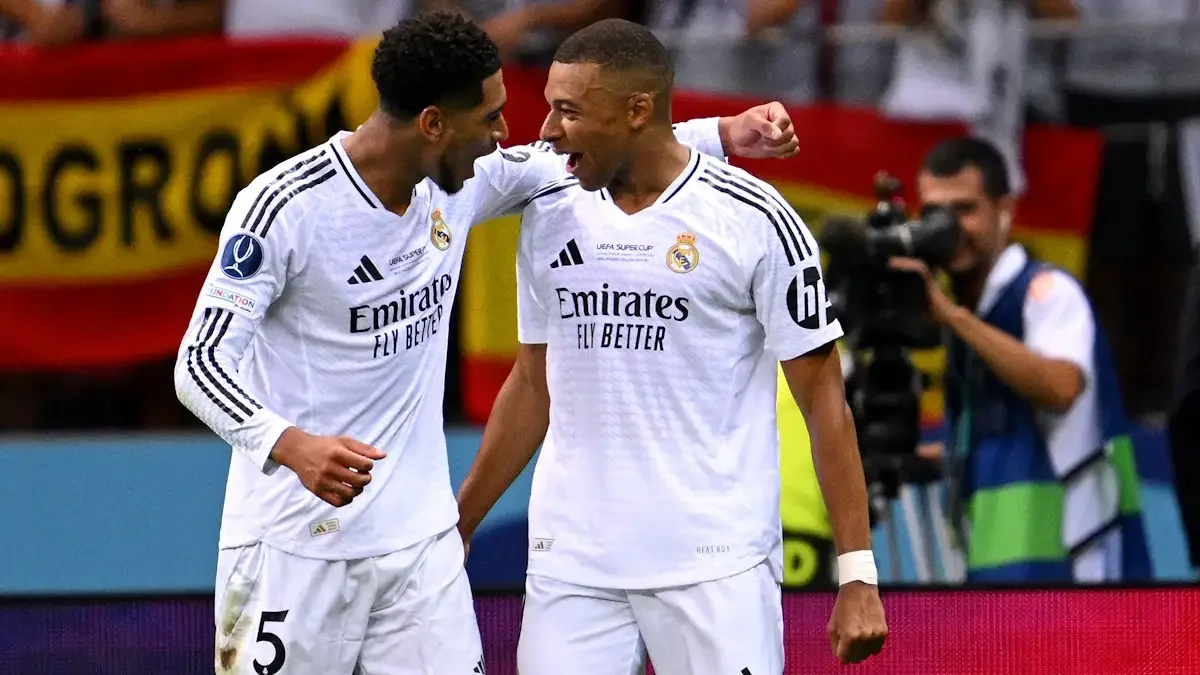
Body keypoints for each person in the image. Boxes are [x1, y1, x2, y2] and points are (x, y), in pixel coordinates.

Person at [172, 11, 798, 675]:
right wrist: (291, 444)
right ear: (433, 124)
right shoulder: (284, 207)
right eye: (491, 118)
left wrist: (723, 133)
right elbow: (199, 365)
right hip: (291, 547)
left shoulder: (462, 182)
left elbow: (584, 156)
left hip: (420, 548)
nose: (504, 136)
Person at [455, 18, 887, 674]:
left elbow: (825, 402)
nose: (547, 130)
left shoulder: (757, 219)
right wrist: (459, 525)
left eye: (568, 111)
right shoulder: (550, 207)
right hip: (572, 564)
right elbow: (536, 383)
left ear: (637, 110)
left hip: (715, 566)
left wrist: (857, 574)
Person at [894, 136, 1151, 584]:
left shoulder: (1046, 292)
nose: (950, 228)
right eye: (935, 212)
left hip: (1076, 576)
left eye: (965, 210)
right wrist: (944, 457)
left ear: (1005, 210)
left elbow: (1061, 387)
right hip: (1003, 578)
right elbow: (1012, 432)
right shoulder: (975, 317)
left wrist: (953, 318)